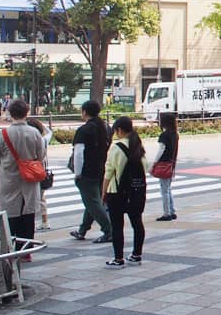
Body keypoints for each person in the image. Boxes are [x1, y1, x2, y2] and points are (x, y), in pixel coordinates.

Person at [0, 100, 47, 257]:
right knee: (28, 214)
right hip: (29, 180)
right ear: (27, 113)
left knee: (10, 216)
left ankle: (10, 250)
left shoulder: (2, 134)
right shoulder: (35, 133)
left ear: (10, 113)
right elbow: (41, 155)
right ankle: (26, 251)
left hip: (8, 180)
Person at [103, 116, 147, 268]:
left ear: (119, 130)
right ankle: (136, 255)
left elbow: (108, 173)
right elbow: (145, 168)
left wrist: (103, 193)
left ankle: (118, 259)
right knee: (137, 223)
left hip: (117, 192)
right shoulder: (138, 147)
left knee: (117, 226)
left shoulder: (116, 147)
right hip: (136, 192)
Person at [69, 100, 112, 244]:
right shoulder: (105, 127)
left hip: (87, 171)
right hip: (101, 168)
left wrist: (78, 173)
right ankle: (82, 230)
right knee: (93, 201)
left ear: (84, 112)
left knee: (93, 202)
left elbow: (79, 153)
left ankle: (109, 230)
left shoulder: (84, 130)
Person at [26, 117, 52, 231]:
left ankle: (34, 222)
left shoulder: (29, 140)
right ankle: (45, 221)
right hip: (41, 172)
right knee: (41, 197)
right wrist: (42, 126)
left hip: (30, 172)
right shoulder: (44, 139)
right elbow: (50, 132)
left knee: (31, 198)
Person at [154, 112, 180, 220]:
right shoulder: (175, 134)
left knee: (164, 190)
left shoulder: (164, 135)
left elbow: (161, 150)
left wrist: (155, 162)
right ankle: (172, 210)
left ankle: (167, 213)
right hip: (171, 163)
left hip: (163, 164)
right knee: (168, 189)